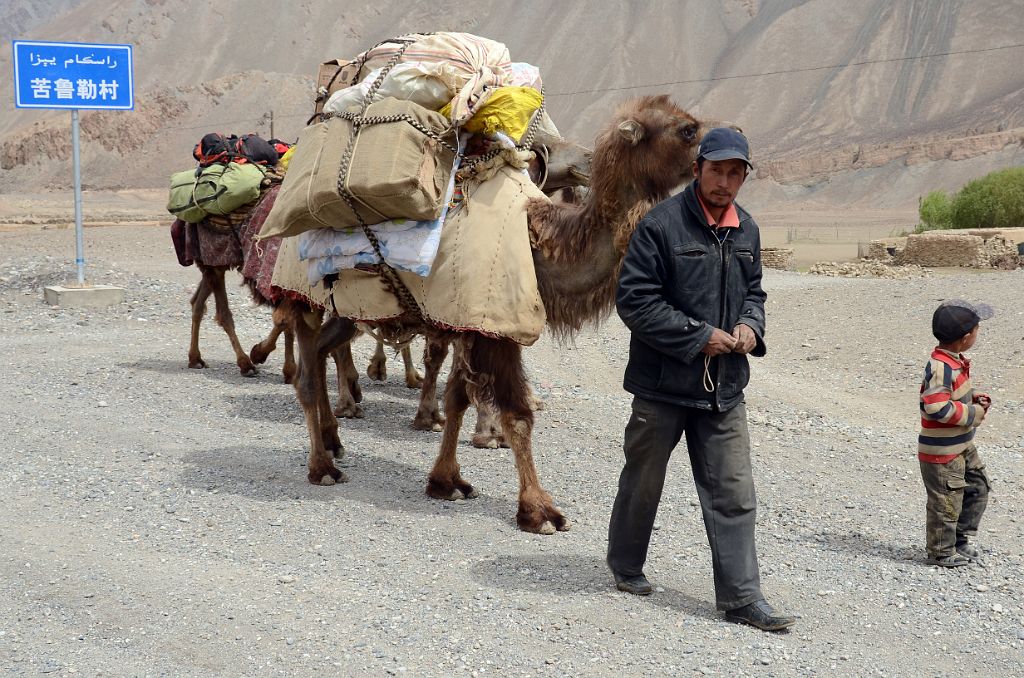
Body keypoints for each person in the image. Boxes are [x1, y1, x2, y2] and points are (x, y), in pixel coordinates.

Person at [607, 127, 795, 632]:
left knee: (734, 491)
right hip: (662, 386)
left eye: (737, 173)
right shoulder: (660, 226)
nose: (726, 182)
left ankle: (741, 599)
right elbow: (636, 302)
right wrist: (698, 336)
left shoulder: (747, 230)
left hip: (725, 388)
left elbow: (754, 292)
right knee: (643, 482)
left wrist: (750, 327)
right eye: (718, 170)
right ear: (697, 170)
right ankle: (625, 564)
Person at [918, 299, 994, 567]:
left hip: (961, 445)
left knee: (977, 487)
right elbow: (937, 406)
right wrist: (974, 414)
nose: (977, 334)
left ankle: (959, 538)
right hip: (942, 452)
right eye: (976, 330)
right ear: (965, 338)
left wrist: (973, 396)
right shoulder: (941, 367)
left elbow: (951, 395)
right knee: (946, 501)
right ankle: (941, 551)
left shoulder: (954, 361)